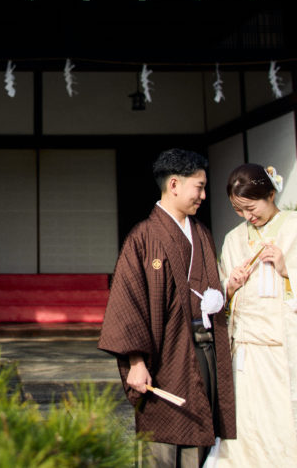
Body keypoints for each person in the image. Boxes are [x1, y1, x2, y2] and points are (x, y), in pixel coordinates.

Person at [99, 149, 236, 467]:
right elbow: (127, 302)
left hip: (205, 353)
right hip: (164, 359)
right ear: (174, 184)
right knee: (162, 439)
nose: (203, 195)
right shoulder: (143, 237)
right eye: (198, 186)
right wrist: (135, 361)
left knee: (200, 432)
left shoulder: (201, 234)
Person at [216, 163, 297, 467]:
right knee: (249, 432)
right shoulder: (234, 239)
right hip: (249, 356)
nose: (248, 216)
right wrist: (230, 286)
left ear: (271, 194)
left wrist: (289, 269)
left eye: (251, 207)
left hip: (289, 354)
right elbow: (221, 290)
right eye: (239, 210)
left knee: (296, 430)